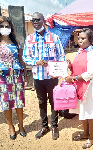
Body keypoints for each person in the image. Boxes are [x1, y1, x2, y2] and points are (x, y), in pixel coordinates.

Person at [23, 12, 65, 140]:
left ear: (44, 21)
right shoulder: (29, 39)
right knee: (41, 102)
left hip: (51, 76)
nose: (35, 22)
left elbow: (61, 55)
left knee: (53, 101)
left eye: (38, 20)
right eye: (33, 20)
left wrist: (59, 69)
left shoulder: (54, 37)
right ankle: (44, 126)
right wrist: (36, 62)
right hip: (38, 77)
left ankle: (54, 126)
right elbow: (25, 57)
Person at [0, 16, 27, 140]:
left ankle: (21, 126)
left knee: (19, 102)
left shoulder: (17, 43)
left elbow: (21, 61)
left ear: (11, 28)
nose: (5, 28)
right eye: (2, 26)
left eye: (7, 26)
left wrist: (25, 77)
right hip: (2, 77)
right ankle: (11, 126)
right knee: (7, 103)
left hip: (17, 76)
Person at [66, 28, 93, 149]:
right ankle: (85, 133)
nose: (80, 40)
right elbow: (77, 68)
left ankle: (92, 137)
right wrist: (70, 65)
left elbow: (90, 73)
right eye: (79, 38)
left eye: (83, 38)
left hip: (90, 86)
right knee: (83, 110)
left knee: (90, 111)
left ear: (90, 40)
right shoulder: (80, 51)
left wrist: (74, 78)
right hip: (80, 85)